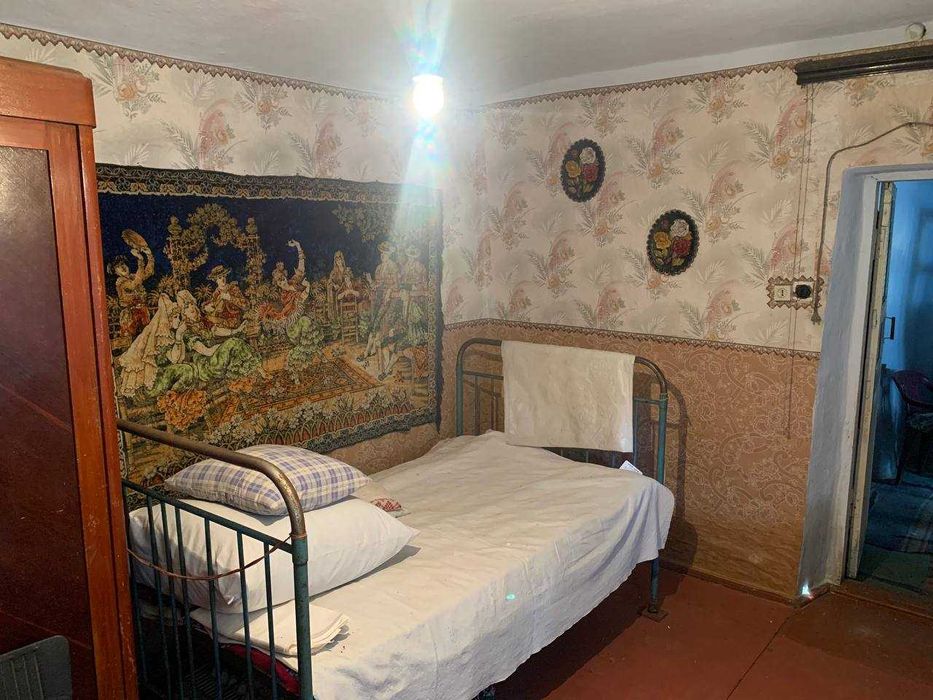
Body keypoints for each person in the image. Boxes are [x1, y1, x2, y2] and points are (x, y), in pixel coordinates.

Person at [258, 240, 309, 325]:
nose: (282, 281)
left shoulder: (292, 282)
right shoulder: (283, 296)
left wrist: (298, 246)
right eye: (279, 280)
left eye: (282, 278)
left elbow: (301, 267)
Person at [113, 243, 154, 338]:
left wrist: (149, 255)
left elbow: (148, 272)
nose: (122, 267)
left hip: (142, 312)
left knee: (146, 338)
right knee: (131, 339)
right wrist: (140, 260)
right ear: (115, 271)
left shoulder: (132, 276)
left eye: (123, 264)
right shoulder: (121, 282)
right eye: (118, 266)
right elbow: (135, 284)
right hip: (130, 315)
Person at [203, 264, 248, 331]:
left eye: (224, 276)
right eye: (219, 278)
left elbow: (246, 305)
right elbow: (212, 305)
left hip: (233, 319)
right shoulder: (216, 293)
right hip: (220, 320)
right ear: (215, 280)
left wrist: (230, 298)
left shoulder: (233, 288)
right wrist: (206, 308)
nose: (223, 279)